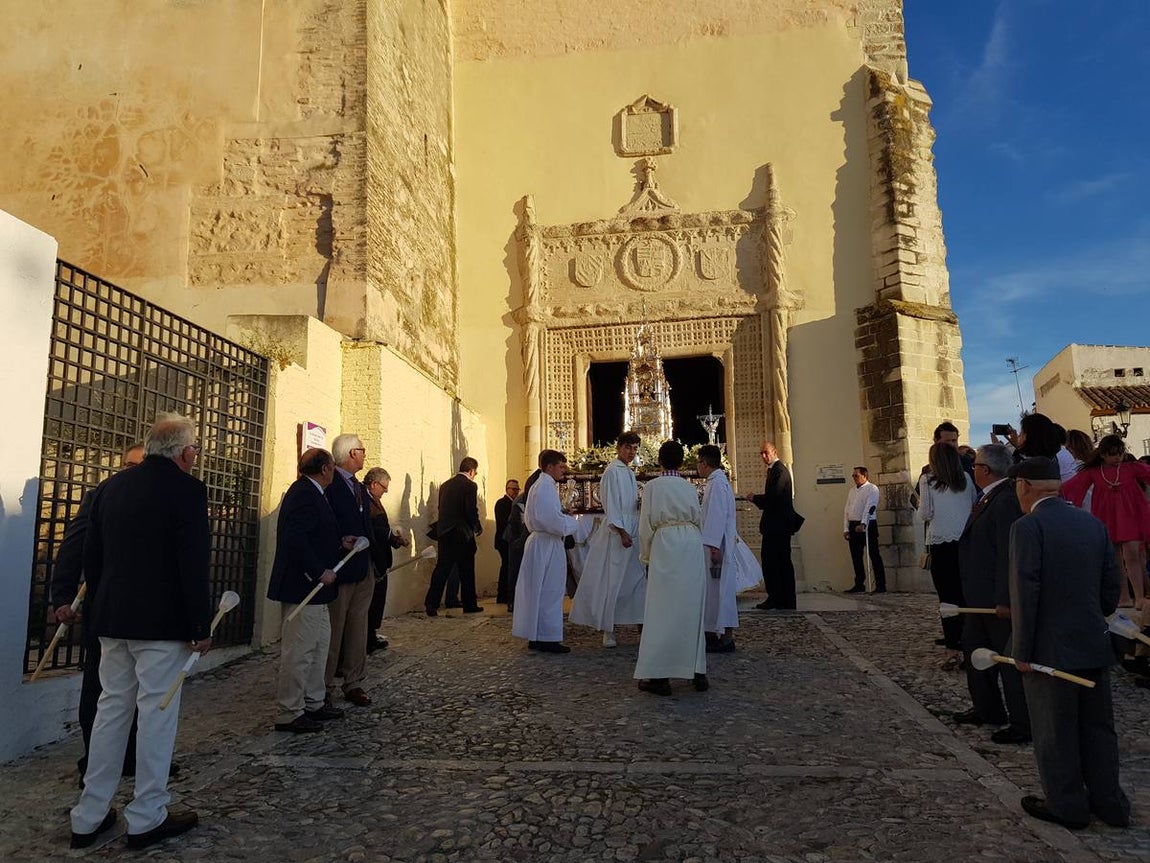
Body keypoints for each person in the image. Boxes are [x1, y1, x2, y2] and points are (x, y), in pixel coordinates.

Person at [68, 414, 211, 850]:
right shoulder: (187, 490)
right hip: (163, 625)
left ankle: (88, 815)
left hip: (112, 621)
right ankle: (148, 814)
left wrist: (98, 614)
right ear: (185, 453)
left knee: (111, 712)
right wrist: (199, 625)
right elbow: (192, 562)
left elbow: (93, 559)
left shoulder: (111, 488)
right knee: (156, 715)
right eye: (195, 451)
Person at [1009, 457, 1130, 830]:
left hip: (1049, 649)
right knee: (1098, 727)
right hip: (1093, 642)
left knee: (1055, 731)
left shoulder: (1028, 527)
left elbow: (1025, 593)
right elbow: (1111, 589)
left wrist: (1022, 651)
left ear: (1024, 486)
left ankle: (1068, 805)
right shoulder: (1091, 524)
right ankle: (1110, 804)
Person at [49, 442, 145, 786]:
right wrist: (62, 596)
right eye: (130, 466)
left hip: (146, 614)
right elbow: (74, 545)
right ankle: (96, 761)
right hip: (106, 609)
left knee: (141, 691)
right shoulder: (101, 497)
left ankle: (132, 757)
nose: (135, 473)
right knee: (101, 688)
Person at [268, 448, 349, 733]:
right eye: (333, 468)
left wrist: (342, 542)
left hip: (318, 591)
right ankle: (289, 711)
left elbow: (317, 534)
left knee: (318, 647)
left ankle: (313, 702)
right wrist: (317, 571)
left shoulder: (315, 493)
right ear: (325, 468)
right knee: (299, 651)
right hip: (304, 587)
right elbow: (295, 539)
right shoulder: (304, 493)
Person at [953, 444, 1029, 744]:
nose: (973, 471)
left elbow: (1007, 554)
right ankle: (987, 708)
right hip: (977, 598)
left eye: (975, 466)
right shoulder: (990, 497)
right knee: (975, 653)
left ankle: (1021, 721)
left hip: (995, 600)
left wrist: (1004, 598)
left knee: (1007, 662)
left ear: (985, 470)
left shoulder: (1006, 499)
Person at [634, 441, 708, 695]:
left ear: (660, 461)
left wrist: (645, 557)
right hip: (691, 543)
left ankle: (659, 676)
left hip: (666, 545)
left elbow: (646, 525)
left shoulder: (652, 487)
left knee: (662, 610)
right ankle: (697, 671)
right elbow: (698, 518)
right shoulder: (689, 487)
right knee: (691, 606)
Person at [568, 431, 646, 647]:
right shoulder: (612, 472)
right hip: (617, 534)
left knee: (636, 581)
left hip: (632, 532)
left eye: (635, 449)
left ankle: (640, 623)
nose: (631, 452)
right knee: (613, 583)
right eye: (628, 447)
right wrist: (621, 532)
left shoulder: (628, 473)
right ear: (619, 448)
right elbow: (611, 504)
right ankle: (608, 630)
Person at [1062, 434, 1150, 610]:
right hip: (1107, 516)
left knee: (1132, 553)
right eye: (1112, 454)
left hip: (1130, 515)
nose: (1117, 458)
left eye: (1119, 453)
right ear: (1102, 454)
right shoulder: (1093, 472)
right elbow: (1072, 486)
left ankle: (1139, 596)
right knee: (1115, 558)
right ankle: (1123, 596)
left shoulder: (1131, 467)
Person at [323, 434, 375, 707]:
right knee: (335, 627)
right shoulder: (331, 485)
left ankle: (353, 681)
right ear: (352, 453)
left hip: (363, 565)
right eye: (363, 451)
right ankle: (325, 685)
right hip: (342, 566)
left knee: (358, 626)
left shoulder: (358, 486)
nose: (365, 455)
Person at [512, 451, 578, 653]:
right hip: (547, 543)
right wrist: (572, 523)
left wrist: (561, 515)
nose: (564, 470)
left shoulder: (540, 485)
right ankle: (548, 638)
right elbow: (551, 522)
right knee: (550, 590)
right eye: (561, 466)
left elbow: (547, 515)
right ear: (549, 467)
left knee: (539, 591)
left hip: (541, 543)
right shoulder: (546, 487)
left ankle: (537, 635)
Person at [918, 442, 977, 668]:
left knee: (947, 598)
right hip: (964, 543)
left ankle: (953, 648)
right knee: (965, 597)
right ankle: (969, 645)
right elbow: (973, 506)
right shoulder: (966, 479)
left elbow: (925, 513)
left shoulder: (928, 480)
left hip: (942, 545)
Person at [745, 441, 801, 610]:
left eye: (766, 452)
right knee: (773, 563)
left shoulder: (780, 471)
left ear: (775, 452)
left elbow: (774, 497)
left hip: (778, 527)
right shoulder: (774, 471)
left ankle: (783, 599)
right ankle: (778, 597)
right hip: (775, 526)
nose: (763, 456)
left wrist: (755, 498)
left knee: (777, 562)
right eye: (761, 453)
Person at [425, 457, 484, 615]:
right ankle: (469, 604)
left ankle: (431, 604)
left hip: (445, 533)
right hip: (462, 534)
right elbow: (470, 509)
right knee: (467, 570)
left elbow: (440, 507)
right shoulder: (470, 485)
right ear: (471, 471)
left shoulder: (445, 485)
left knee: (442, 569)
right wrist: (477, 525)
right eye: (475, 472)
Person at [698, 444, 739, 652]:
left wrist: (714, 548)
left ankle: (719, 635)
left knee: (717, 592)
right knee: (721, 592)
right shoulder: (720, 483)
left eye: (699, 463)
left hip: (716, 547)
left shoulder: (716, 485)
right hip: (720, 544)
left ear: (704, 463)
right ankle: (720, 634)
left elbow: (716, 516)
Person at [364, 467, 408, 653]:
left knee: (377, 602)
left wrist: (395, 540)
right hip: (371, 560)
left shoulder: (375, 501)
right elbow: (372, 530)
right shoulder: (365, 501)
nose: (386, 491)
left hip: (381, 561)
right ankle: (366, 639)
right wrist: (390, 535)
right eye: (384, 487)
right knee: (370, 603)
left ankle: (372, 634)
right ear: (374, 484)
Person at [842, 466, 886, 594]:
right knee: (856, 556)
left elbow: (870, 507)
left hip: (867, 524)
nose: (854, 478)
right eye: (853, 476)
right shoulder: (851, 491)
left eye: (856, 475)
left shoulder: (872, 489)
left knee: (874, 554)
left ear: (864, 476)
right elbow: (847, 510)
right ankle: (859, 583)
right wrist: (846, 528)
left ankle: (880, 585)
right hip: (853, 524)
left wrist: (863, 523)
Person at [505, 470, 541, 613]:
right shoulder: (520, 501)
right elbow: (516, 523)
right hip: (517, 539)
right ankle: (512, 601)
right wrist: (521, 541)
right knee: (514, 571)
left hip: (525, 538)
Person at [494, 479, 520, 605]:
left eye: (517, 489)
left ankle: (505, 595)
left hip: (511, 540)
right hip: (504, 540)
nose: (515, 491)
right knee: (506, 567)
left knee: (508, 567)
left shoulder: (515, 503)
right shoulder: (502, 503)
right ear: (507, 489)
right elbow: (504, 522)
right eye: (513, 489)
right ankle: (503, 595)